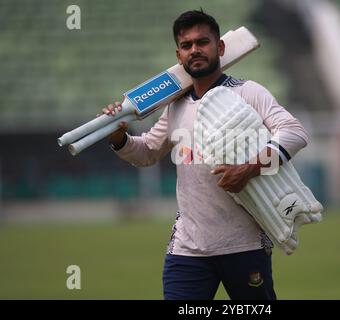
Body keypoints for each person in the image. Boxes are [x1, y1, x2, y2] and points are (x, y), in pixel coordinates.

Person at [102, 9, 309, 300]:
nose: (195, 50)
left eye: (203, 42)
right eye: (187, 46)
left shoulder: (248, 93)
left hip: (245, 243)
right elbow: (147, 152)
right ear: (179, 55)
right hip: (188, 248)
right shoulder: (175, 106)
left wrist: (250, 168)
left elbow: (294, 132)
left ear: (220, 47)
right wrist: (119, 137)